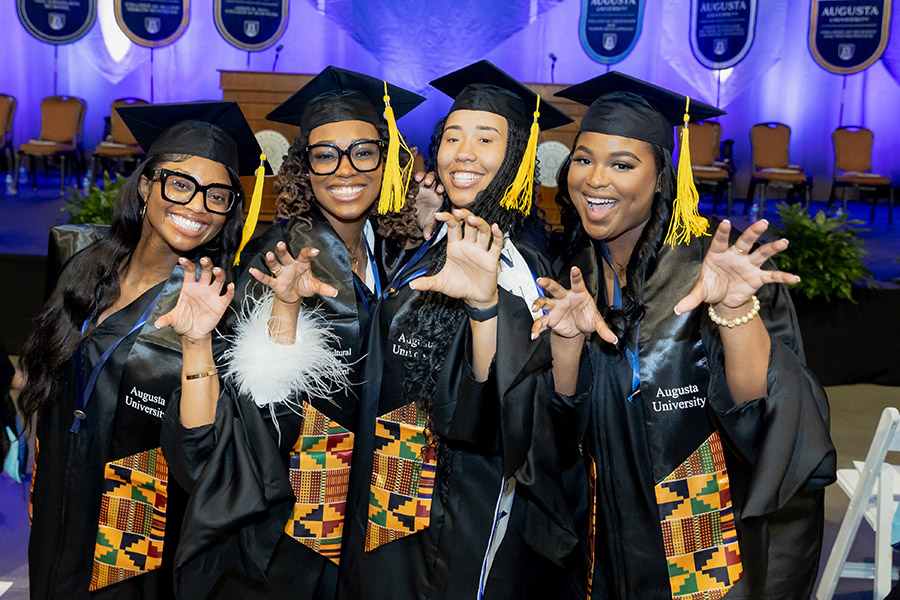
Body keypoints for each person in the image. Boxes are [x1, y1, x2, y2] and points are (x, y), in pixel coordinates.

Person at [530, 72, 836, 599]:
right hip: (600, 542)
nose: (594, 179)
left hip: (695, 531)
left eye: (622, 164)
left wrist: (736, 312)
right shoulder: (572, 271)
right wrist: (565, 345)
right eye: (583, 158)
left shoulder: (714, 269)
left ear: (661, 176)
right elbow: (554, 434)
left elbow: (770, 426)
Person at [158, 67, 425, 599]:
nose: (344, 169)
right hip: (309, 495)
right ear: (305, 167)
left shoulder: (401, 256)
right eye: (325, 154)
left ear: (388, 159)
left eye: (363, 152)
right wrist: (284, 311)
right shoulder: (277, 260)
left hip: (394, 486)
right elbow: (251, 413)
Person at [336, 60, 577, 600]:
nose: (462, 153)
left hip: (459, 502)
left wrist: (486, 305)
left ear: (516, 158)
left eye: (485, 139)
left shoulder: (518, 263)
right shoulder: (437, 241)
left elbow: (507, 411)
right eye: (451, 137)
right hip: (397, 480)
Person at [18, 101, 265, 599]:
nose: (197, 206)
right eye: (180, 184)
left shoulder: (215, 302)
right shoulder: (85, 266)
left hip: (135, 521)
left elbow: (205, 455)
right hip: (58, 497)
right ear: (148, 184)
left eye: (217, 196)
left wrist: (197, 341)